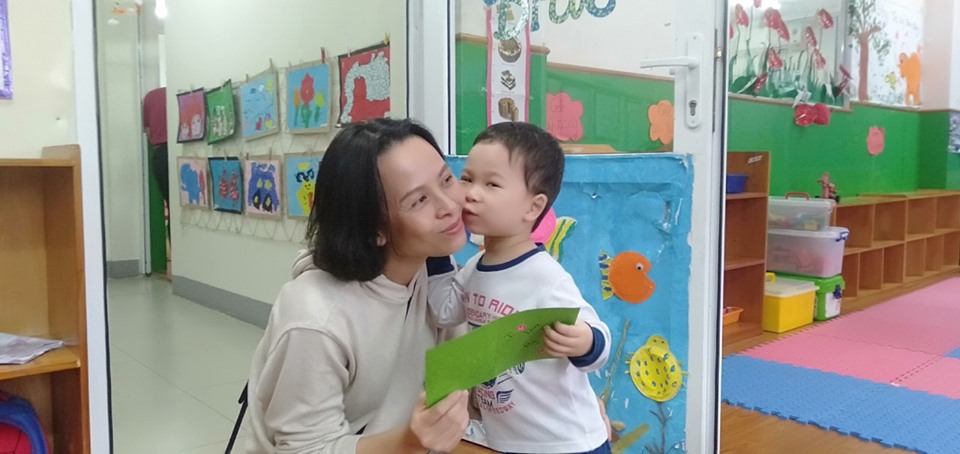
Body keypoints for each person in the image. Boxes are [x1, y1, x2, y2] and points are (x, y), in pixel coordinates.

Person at [244, 119, 472, 453]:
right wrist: (409, 441)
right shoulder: (315, 319)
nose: (451, 206)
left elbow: (459, 378)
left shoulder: (433, 267)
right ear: (374, 229)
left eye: (447, 180)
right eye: (419, 200)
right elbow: (305, 449)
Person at [430, 122, 612, 454]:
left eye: (491, 184)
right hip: (510, 441)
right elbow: (444, 311)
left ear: (533, 207)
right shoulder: (475, 267)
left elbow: (598, 345)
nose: (471, 193)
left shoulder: (544, 277)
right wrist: (436, 249)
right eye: (467, 178)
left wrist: (585, 340)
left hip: (568, 442)